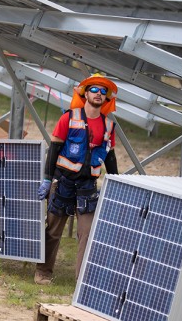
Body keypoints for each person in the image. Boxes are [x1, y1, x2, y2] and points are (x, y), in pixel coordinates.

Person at [34, 73, 119, 286]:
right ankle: (43, 272)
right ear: (85, 93)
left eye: (103, 91)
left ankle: (83, 281)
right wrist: (47, 179)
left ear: (106, 98)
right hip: (62, 182)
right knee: (53, 230)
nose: (98, 94)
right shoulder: (69, 117)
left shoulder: (108, 126)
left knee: (87, 233)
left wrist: (117, 184)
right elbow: (53, 149)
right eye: (94, 89)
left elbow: (110, 156)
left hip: (87, 186)